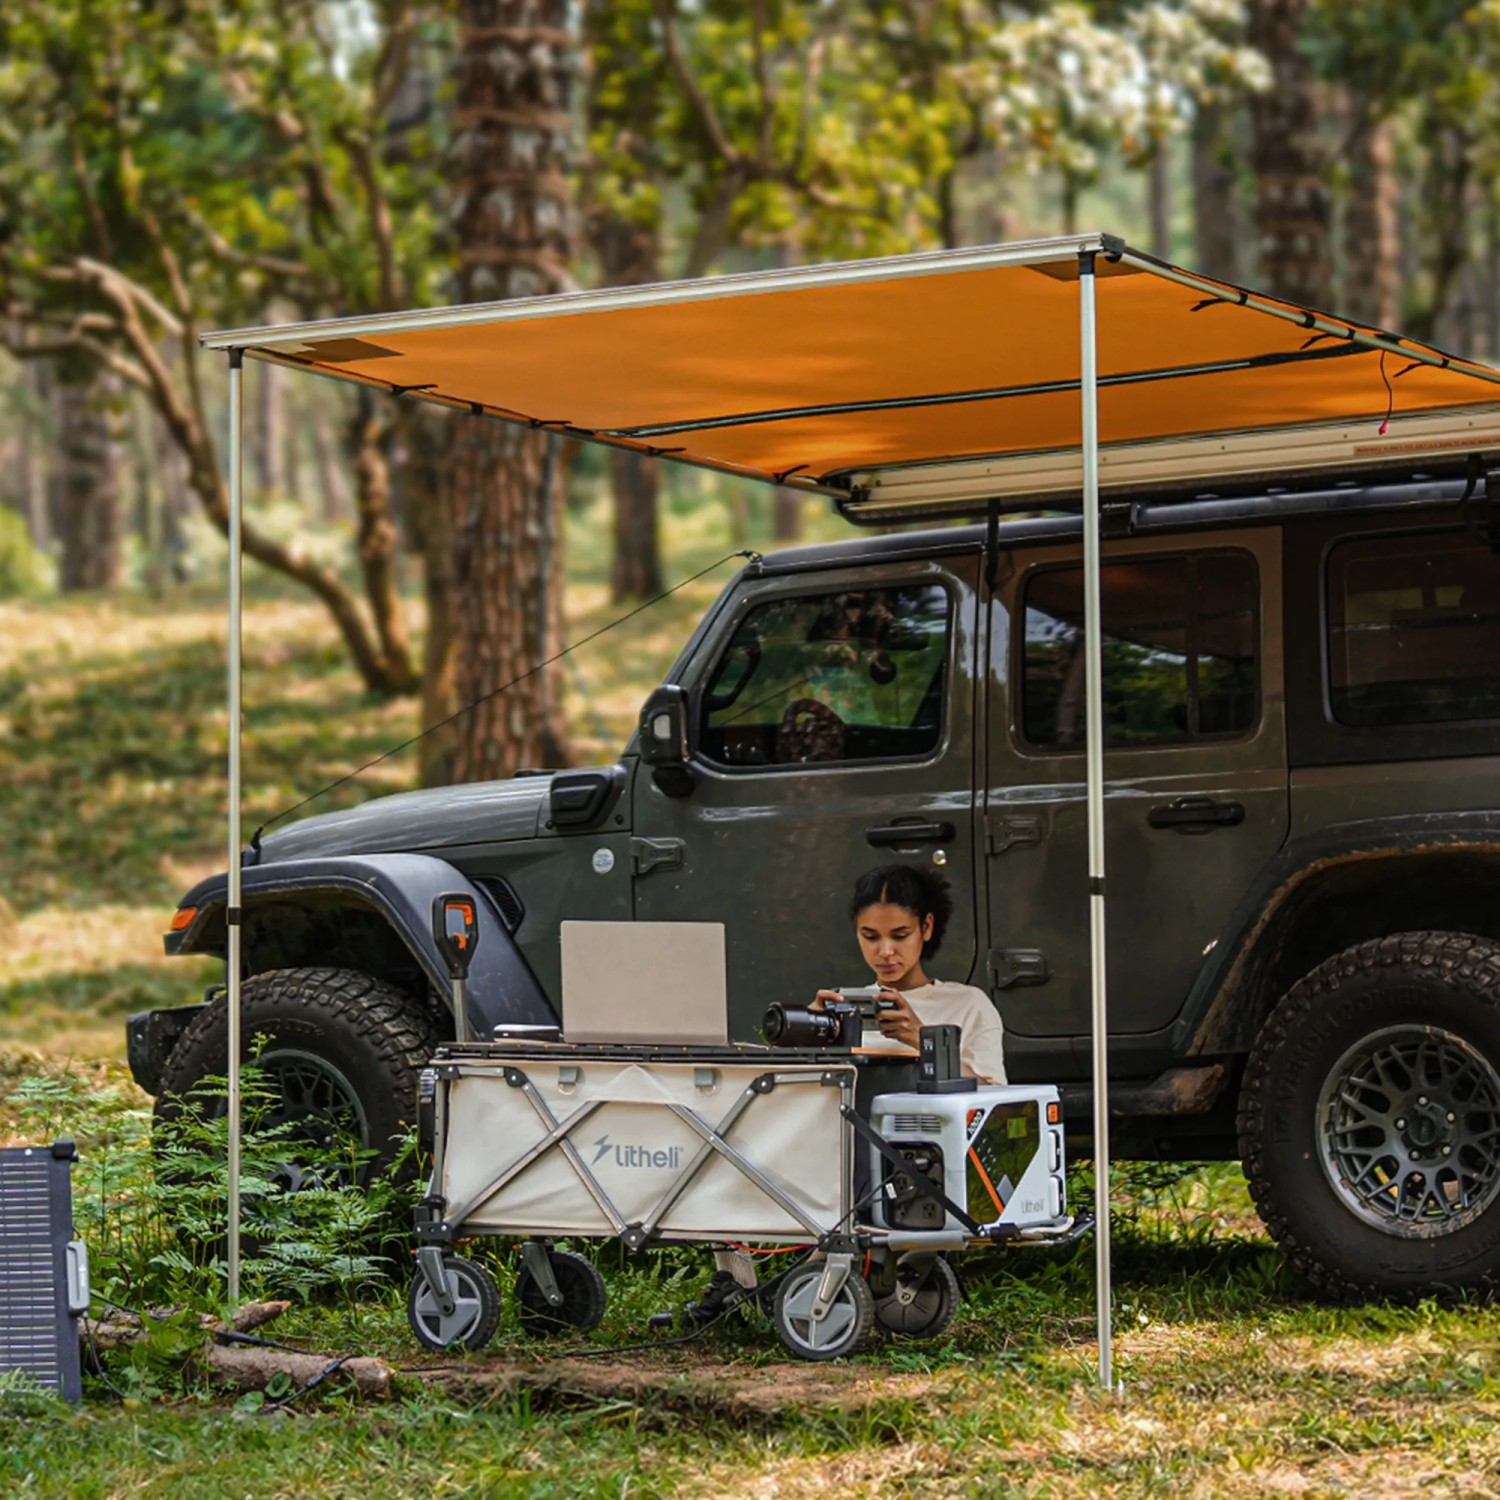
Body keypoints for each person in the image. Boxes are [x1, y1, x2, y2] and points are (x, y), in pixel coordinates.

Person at [818, 862, 1007, 1084]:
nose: (885, 951)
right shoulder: (840, 1008)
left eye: (900, 935)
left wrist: (922, 1039)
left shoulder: (968, 1004)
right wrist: (804, 1039)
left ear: (926, 927)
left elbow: (994, 1097)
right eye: (870, 937)